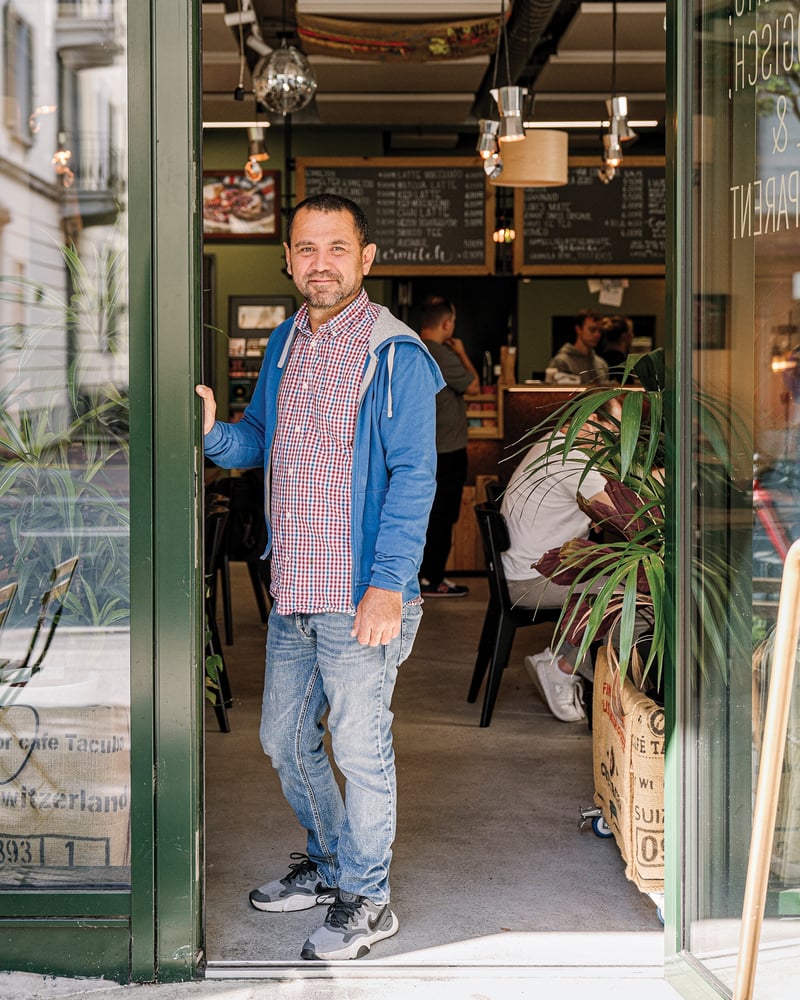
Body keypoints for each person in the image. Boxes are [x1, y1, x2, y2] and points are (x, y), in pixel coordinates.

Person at [195, 193, 444, 962]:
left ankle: (369, 899)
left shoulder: (395, 354)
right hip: (294, 587)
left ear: (366, 258)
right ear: (290, 260)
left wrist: (390, 586)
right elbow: (256, 441)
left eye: (337, 248)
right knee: (283, 741)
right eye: (307, 249)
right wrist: (211, 431)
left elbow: (415, 476)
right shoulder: (285, 344)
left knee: (362, 752)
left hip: (360, 594)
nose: (321, 263)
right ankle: (332, 863)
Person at [500, 406, 614, 722]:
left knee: (621, 580)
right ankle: (562, 667)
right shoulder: (573, 460)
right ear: (591, 421)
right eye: (616, 428)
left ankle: (585, 671)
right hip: (530, 581)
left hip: (525, 568)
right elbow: (626, 512)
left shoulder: (551, 443)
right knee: (627, 594)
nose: (617, 439)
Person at [417, 296, 480, 598]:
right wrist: (464, 353)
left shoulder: (414, 347)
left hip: (429, 448)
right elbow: (473, 386)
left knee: (430, 515)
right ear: (445, 324)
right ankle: (432, 578)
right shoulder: (440, 353)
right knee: (443, 516)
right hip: (447, 450)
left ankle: (427, 575)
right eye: (452, 322)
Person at [545, 309, 609, 385]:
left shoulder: (601, 364)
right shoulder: (561, 362)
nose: (597, 335)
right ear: (579, 329)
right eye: (592, 330)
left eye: (600, 331)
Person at [598, 314, 634, 382]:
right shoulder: (623, 365)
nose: (633, 335)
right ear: (624, 336)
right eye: (631, 332)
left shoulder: (599, 359)